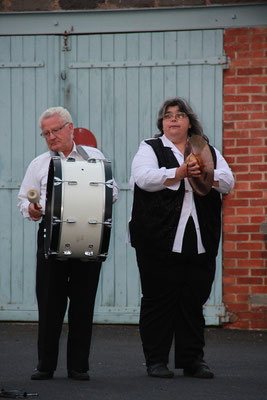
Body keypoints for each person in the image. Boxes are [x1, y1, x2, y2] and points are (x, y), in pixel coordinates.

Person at [128, 97, 234, 379]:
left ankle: (192, 360)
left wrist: (205, 174)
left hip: (199, 235)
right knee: (158, 298)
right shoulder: (149, 148)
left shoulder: (207, 148)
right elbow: (143, 177)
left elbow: (228, 180)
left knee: (193, 298)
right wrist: (179, 172)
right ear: (162, 123)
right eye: (167, 116)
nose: (173, 119)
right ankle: (156, 361)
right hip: (157, 237)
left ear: (189, 121)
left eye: (179, 115)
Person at [18, 106, 119, 381]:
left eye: (55, 130)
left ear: (70, 128)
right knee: (49, 304)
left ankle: (78, 367)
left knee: (83, 304)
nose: (51, 137)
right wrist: (33, 210)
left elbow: (114, 192)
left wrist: (89, 197)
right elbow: (24, 201)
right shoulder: (39, 164)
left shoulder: (95, 157)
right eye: (45, 133)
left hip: (88, 237)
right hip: (50, 238)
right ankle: (45, 366)